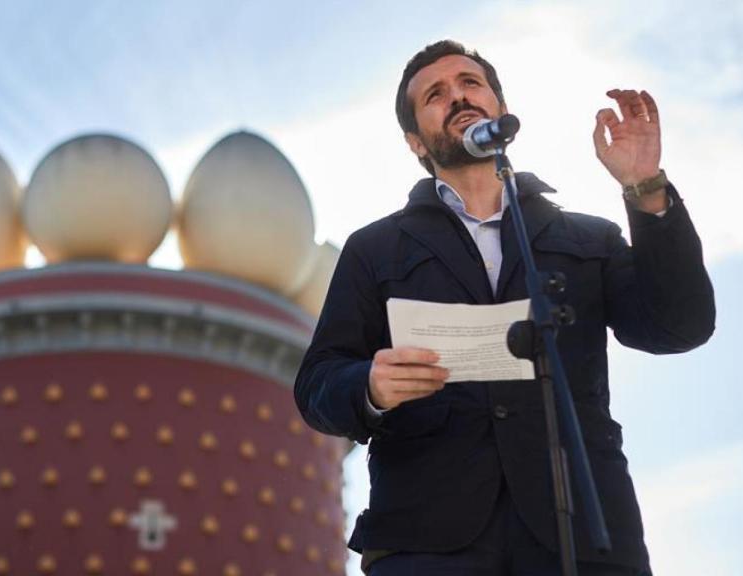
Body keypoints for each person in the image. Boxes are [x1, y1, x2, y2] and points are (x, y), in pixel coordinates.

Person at [293, 40, 715, 576]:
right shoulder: (374, 250)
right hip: (427, 545)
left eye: (471, 83)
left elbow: (679, 326)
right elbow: (316, 387)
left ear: (500, 106)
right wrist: (370, 386)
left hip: (584, 537)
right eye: (436, 94)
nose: (459, 96)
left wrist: (645, 189)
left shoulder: (588, 237)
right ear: (415, 142)